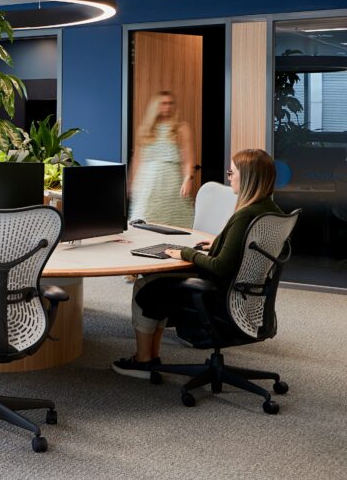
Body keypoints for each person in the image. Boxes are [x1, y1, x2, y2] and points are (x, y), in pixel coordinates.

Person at [113, 149, 283, 378]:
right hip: (244, 295)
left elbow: (219, 266)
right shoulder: (271, 211)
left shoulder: (244, 215)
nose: (229, 177)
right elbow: (249, 247)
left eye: (232, 173)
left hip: (220, 295)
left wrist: (185, 253)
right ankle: (152, 358)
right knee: (157, 281)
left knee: (146, 285)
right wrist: (221, 242)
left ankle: (143, 361)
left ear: (248, 178)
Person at [128, 91, 195, 228]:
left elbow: (188, 158)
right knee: (143, 221)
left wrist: (188, 178)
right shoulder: (145, 130)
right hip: (147, 184)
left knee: (173, 223)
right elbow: (137, 160)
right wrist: (131, 183)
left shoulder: (181, 128)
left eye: (170, 103)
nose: (167, 107)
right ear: (155, 106)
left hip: (171, 184)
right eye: (163, 103)